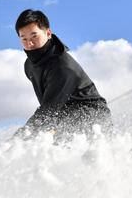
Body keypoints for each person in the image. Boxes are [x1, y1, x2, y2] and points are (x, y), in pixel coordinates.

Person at [14, 9, 113, 141]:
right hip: (64, 115)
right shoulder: (29, 66)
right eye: (24, 38)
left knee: (45, 135)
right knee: (46, 137)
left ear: (48, 33)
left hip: (92, 116)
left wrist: (20, 138)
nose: (29, 44)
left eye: (34, 36)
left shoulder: (62, 67)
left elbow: (48, 111)